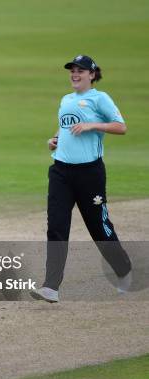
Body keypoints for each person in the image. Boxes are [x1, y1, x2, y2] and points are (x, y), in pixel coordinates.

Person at [30, 55, 132, 303]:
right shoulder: (66, 100)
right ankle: (51, 287)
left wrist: (92, 126)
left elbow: (121, 126)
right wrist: (54, 139)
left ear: (92, 74)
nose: (75, 74)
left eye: (81, 71)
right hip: (61, 171)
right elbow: (65, 127)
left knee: (98, 226)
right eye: (73, 71)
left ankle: (124, 270)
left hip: (89, 173)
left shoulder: (100, 98)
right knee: (56, 227)